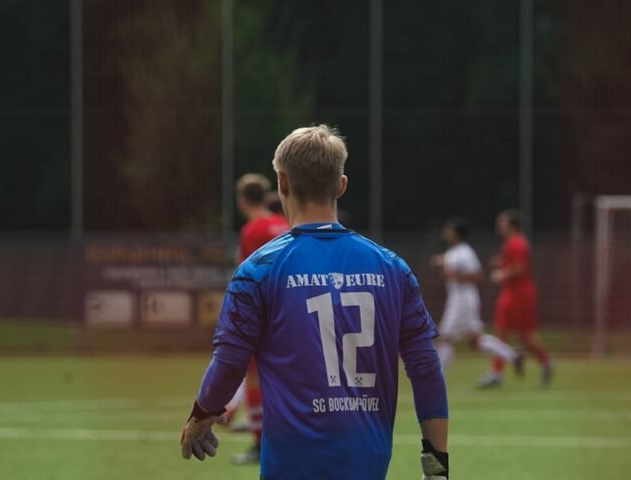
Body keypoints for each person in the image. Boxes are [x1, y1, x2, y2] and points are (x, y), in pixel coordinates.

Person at [180, 125, 450, 480]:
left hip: (291, 467)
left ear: (282, 183)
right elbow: (426, 368)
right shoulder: (392, 268)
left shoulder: (258, 270)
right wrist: (437, 467)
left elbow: (230, 363)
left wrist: (201, 415)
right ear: (341, 185)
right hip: (367, 463)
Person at [226, 173, 289, 464]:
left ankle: (260, 443)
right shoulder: (283, 224)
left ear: (242, 200)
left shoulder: (252, 230)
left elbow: (249, 276)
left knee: (254, 376)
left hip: (263, 312)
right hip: (290, 310)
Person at [430, 218, 520, 385]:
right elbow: (447, 262)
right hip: (461, 299)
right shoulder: (454, 252)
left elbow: (478, 276)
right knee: (475, 341)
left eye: (449, 230)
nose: (446, 233)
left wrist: (451, 273)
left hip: (462, 301)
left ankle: (436, 377)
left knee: (447, 337)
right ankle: (513, 355)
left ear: (456, 233)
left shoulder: (465, 252)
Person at [482, 210, 553, 388]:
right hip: (514, 293)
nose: (499, 227)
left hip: (519, 294)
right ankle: (498, 372)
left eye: (502, 224)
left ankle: (543, 361)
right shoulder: (511, 243)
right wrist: (501, 263)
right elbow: (515, 264)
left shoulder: (517, 243)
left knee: (522, 335)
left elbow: (520, 268)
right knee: (505, 331)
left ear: (512, 226)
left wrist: (502, 274)